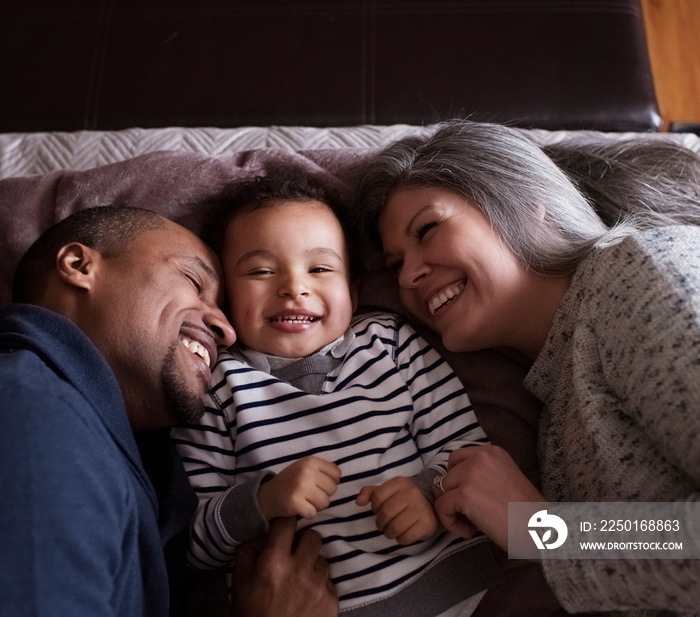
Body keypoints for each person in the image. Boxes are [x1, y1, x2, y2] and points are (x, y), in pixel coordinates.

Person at [355, 119, 700, 615]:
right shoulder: (555, 408)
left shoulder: (635, 274)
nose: (409, 276)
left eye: (428, 230)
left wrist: (538, 528)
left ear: (523, 203)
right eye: (395, 265)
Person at [171, 174, 501, 617]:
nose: (293, 287)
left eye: (321, 269)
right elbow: (191, 545)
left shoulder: (389, 341)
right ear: (225, 299)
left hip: (460, 594)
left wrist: (429, 489)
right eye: (261, 271)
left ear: (354, 292)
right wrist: (262, 500)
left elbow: (470, 449)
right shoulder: (215, 387)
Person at [0, 205, 338, 617]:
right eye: (194, 282)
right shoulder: (32, 415)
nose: (226, 330)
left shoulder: (105, 443)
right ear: (79, 265)